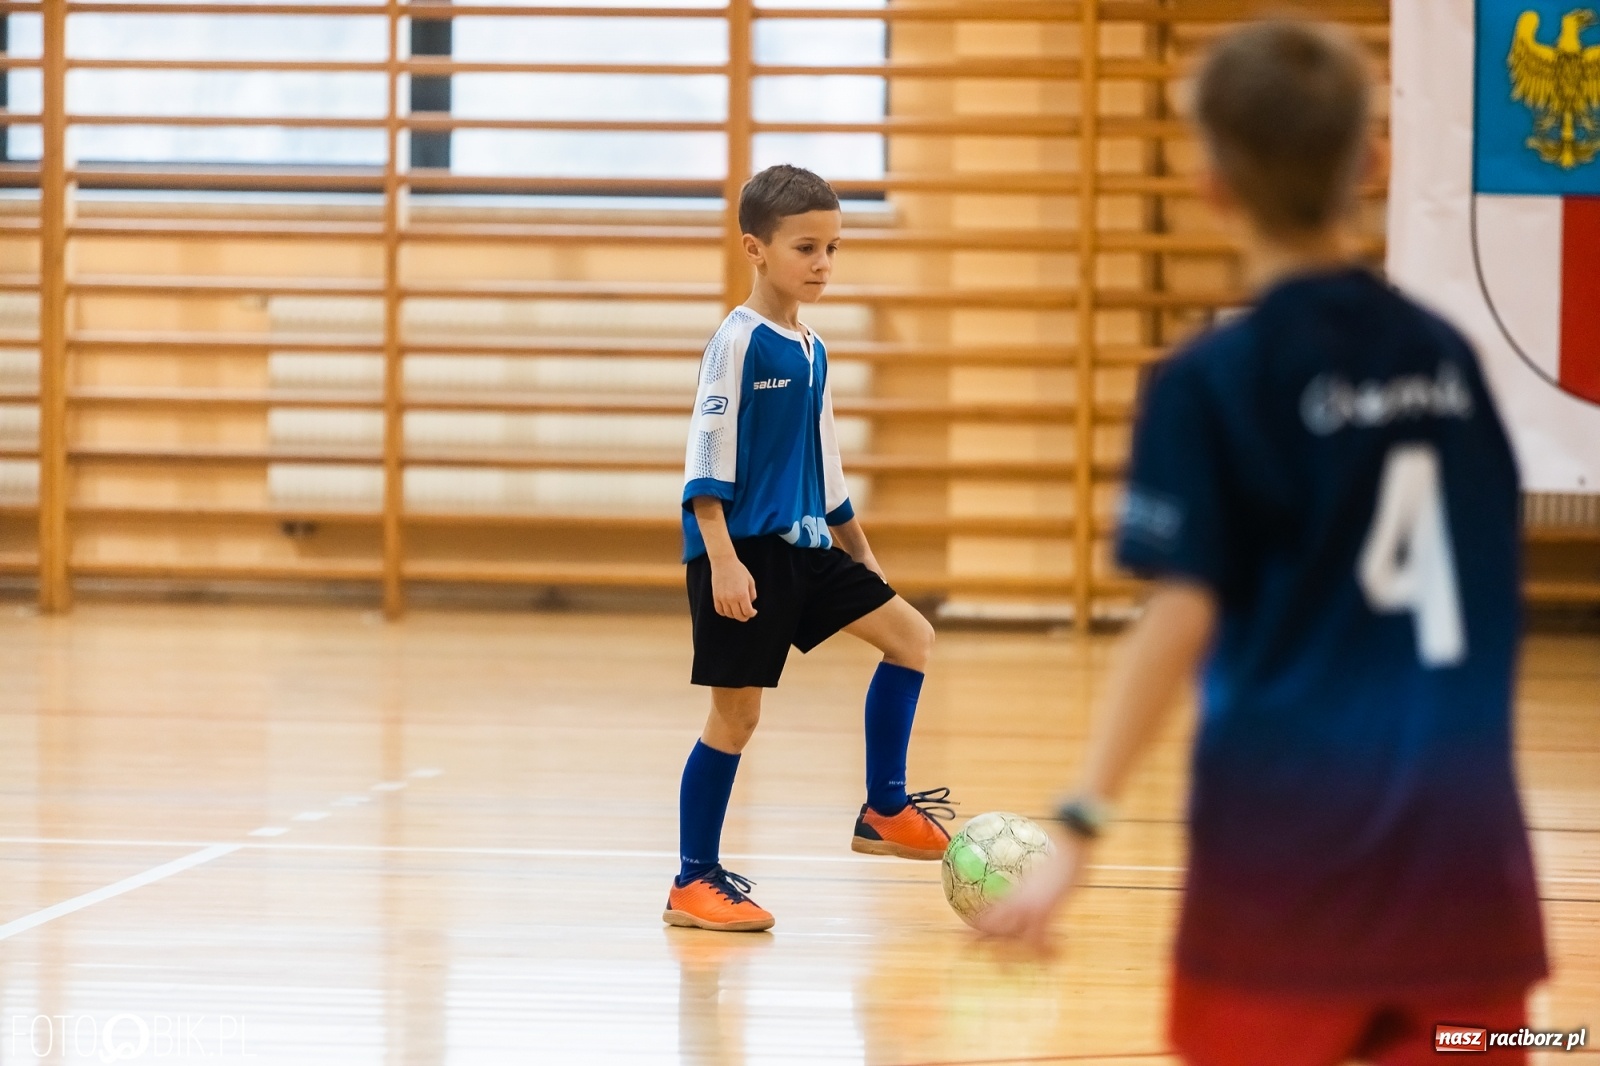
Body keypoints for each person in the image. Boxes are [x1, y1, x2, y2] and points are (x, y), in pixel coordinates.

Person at [978, 20, 1548, 1066]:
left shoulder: (1210, 382)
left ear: (1208, 186)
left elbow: (1180, 612)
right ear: (1371, 164)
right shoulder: (1454, 362)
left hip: (1279, 881)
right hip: (1468, 888)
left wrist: (1078, 824)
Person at [664, 164, 954, 933]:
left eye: (832, 248)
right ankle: (692, 881)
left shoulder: (812, 348)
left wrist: (860, 550)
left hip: (809, 547)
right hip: (742, 557)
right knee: (736, 720)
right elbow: (705, 460)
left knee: (911, 638)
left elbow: (826, 468)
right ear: (755, 249)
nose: (823, 264)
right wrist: (721, 559)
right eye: (806, 248)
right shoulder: (736, 343)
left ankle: (884, 808)